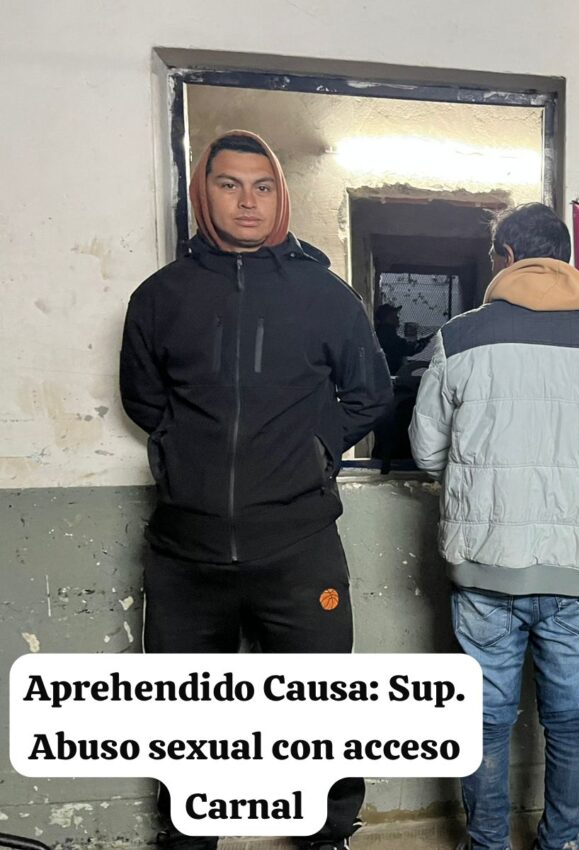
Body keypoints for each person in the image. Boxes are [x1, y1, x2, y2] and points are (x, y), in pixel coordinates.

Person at [119, 130, 393, 850]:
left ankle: (325, 834)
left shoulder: (324, 296)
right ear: (202, 194)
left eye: (262, 186)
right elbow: (144, 400)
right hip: (186, 553)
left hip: (298, 545)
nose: (247, 201)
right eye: (230, 184)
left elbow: (370, 394)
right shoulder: (160, 297)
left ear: (281, 197)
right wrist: (185, 453)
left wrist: (314, 446)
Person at [409, 203, 579, 850]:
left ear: (507, 257)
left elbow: (428, 451)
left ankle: (487, 843)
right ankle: (561, 841)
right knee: (568, 718)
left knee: (485, 719)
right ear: (565, 259)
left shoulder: (460, 336)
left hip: (486, 564)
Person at [375, 302, 429, 375]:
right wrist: (421, 344)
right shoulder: (386, 333)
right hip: (392, 374)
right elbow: (404, 348)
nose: (398, 318)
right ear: (389, 318)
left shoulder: (386, 332)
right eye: (395, 316)